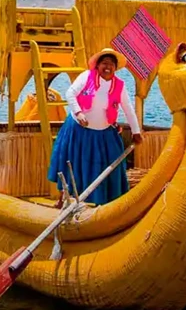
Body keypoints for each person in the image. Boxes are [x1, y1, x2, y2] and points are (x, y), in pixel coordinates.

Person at [47, 48, 143, 207]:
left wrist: (136, 131)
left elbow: (128, 109)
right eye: (104, 63)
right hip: (79, 131)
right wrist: (78, 113)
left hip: (103, 134)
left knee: (106, 168)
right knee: (72, 165)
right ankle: (63, 199)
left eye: (111, 64)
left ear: (115, 68)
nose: (108, 67)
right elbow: (70, 93)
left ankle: (104, 204)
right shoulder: (87, 76)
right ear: (97, 65)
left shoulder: (119, 85)